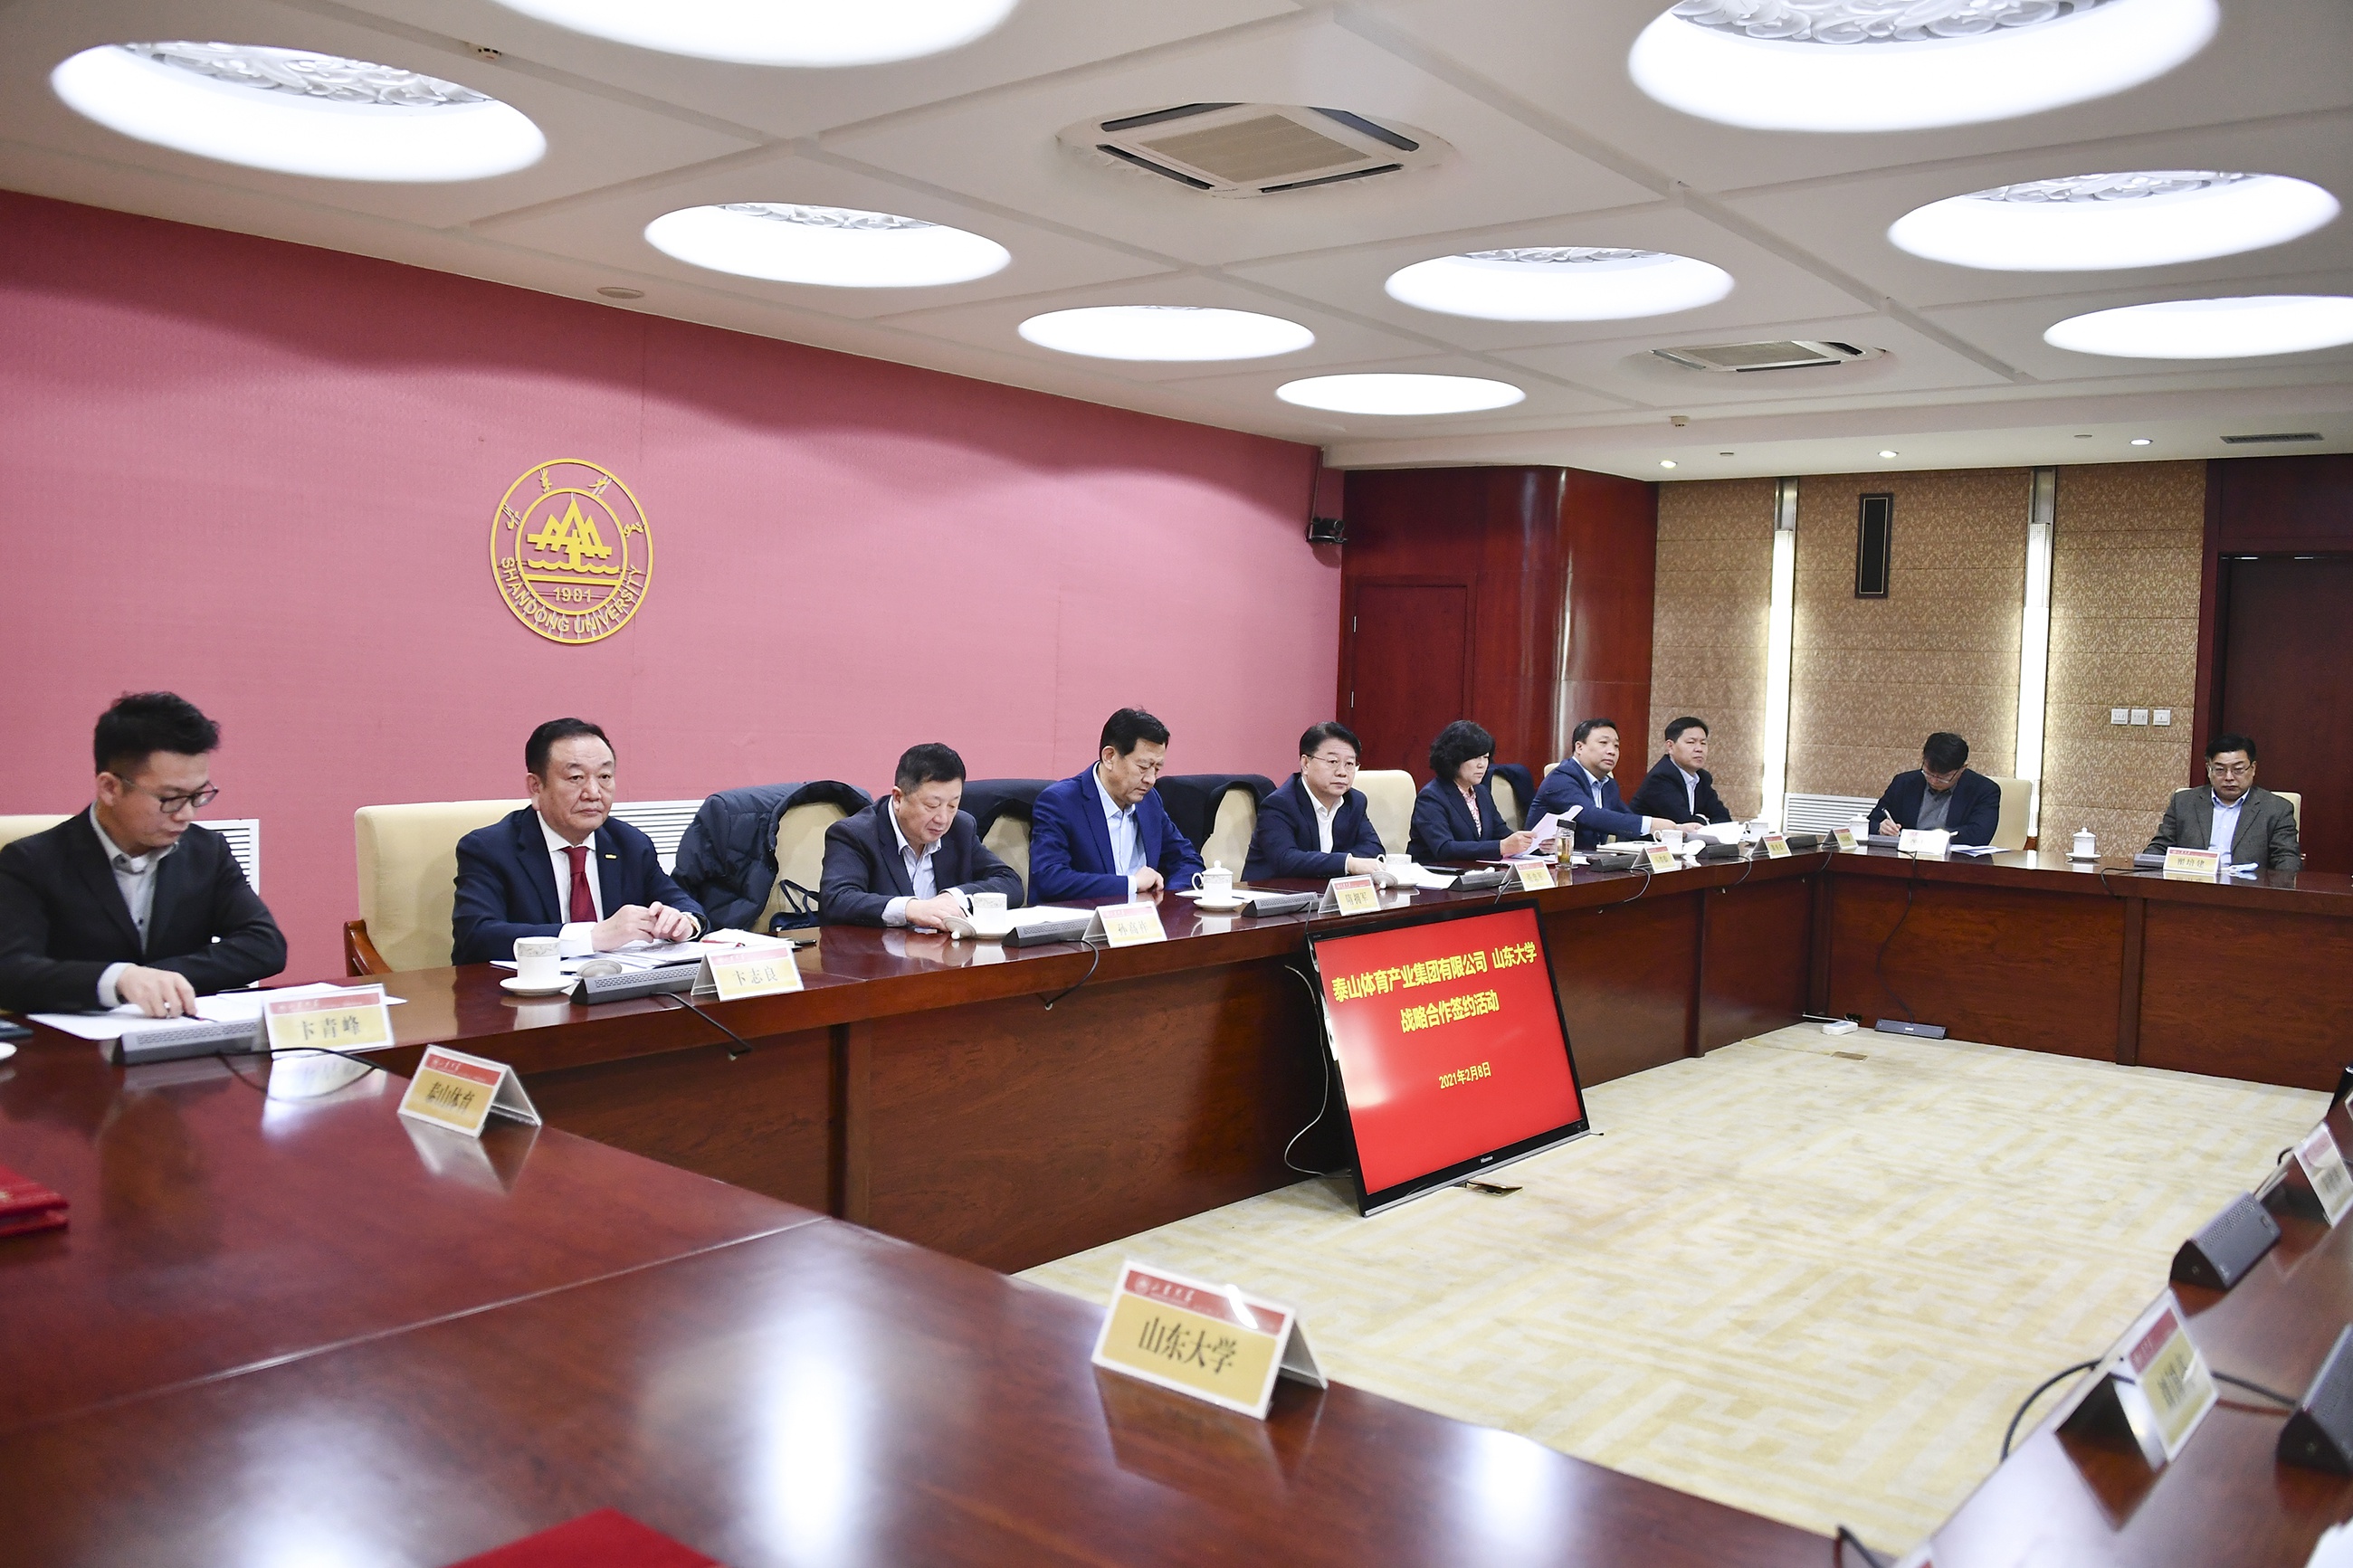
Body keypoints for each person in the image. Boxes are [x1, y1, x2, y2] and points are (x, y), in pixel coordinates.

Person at [0, 692, 286, 1017]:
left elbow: (265, 945)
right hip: (76, 1039)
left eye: (198, 795)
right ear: (110, 788)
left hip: (177, 1032)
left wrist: (156, 979)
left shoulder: (207, 851)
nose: (186, 814)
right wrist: (116, 980)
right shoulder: (30, 861)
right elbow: (10, 970)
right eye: (170, 798)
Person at [451, 718, 705, 965]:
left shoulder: (630, 844)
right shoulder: (489, 849)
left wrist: (684, 923)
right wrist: (591, 937)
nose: (593, 793)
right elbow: (477, 936)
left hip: (612, 988)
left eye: (604, 776)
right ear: (536, 787)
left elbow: (683, 903)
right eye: (576, 778)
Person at [819, 744, 1025, 927]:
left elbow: (1009, 882)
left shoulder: (960, 828)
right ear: (898, 798)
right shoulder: (855, 834)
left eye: (953, 805)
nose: (943, 819)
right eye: (932, 805)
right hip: (878, 955)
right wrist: (911, 909)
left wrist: (955, 897)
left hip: (944, 953)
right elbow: (837, 899)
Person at [1028, 708, 1205, 902]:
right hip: (1084, 918)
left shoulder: (1149, 801)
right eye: (1143, 767)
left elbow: (1187, 860)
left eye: (1157, 769)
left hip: (1145, 917)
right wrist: (1131, 884)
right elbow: (1050, 878)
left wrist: (1166, 900)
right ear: (1109, 757)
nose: (1151, 779)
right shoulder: (1060, 802)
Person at [1245, 722, 1394, 882]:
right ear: (1305, 764)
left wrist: (1341, 864)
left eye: (1349, 764)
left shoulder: (1355, 801)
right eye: (1333, 762)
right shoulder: (1279, 804)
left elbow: (1374, 849)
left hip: (1326, 892)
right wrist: (1347, 863)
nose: (1342, 772)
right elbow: (1286, 859)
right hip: (1273, 893)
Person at [2143, 733, 2301, 872]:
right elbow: (2160, 847)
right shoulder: (2183, 802)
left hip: (2246, 889)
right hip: (2191, 885)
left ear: (2253, 769)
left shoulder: (2276, 808)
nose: (2229, 777)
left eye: (2238, 770)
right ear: (2209, 770)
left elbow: (2287, 859)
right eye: (2220, 770)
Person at [1528, 718, 1686, 850]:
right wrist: (1650, 824)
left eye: (1616, 746)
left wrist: (1676, 829)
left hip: (1589, 863)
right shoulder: (1561, 778)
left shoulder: (1608, 784)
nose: (1612, 751)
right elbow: (1590, 815)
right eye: (1603, 743)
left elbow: (1626, 818)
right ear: (1579, 747)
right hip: (1545, 864)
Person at [1409, 719, 1537, 863]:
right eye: (1475, 758)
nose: (1482, 765)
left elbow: (1501, 833)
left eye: (1485, 757)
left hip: (1476, 871)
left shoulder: (1481, 792)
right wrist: (1500, 847)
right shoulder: (1431, 797)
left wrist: (1533, 844)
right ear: (1454, 759)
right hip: (1436, 872)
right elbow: (1444, 848)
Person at [1869, 732, 2001, 848]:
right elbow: (1871, 822)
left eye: (1943, 777)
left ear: (1962, 769)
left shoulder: (1984, 790)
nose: (1934, 781)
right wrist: (1881, 828)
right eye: (1929, 773)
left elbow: (1979, 835)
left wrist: (1924, 839)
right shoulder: (1904, 783)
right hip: (1903, 859)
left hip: (1954, 862)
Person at [1627, 717, 1733, 826]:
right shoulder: (1660, 778)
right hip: (1648, 837)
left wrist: (1702, 820)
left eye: (1703, 743)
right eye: (1691, 742)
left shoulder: (1702, 778)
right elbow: (1685, 822)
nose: (1699, 749)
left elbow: (1723, 818)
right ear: (1670, 747)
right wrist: (1704, 819)